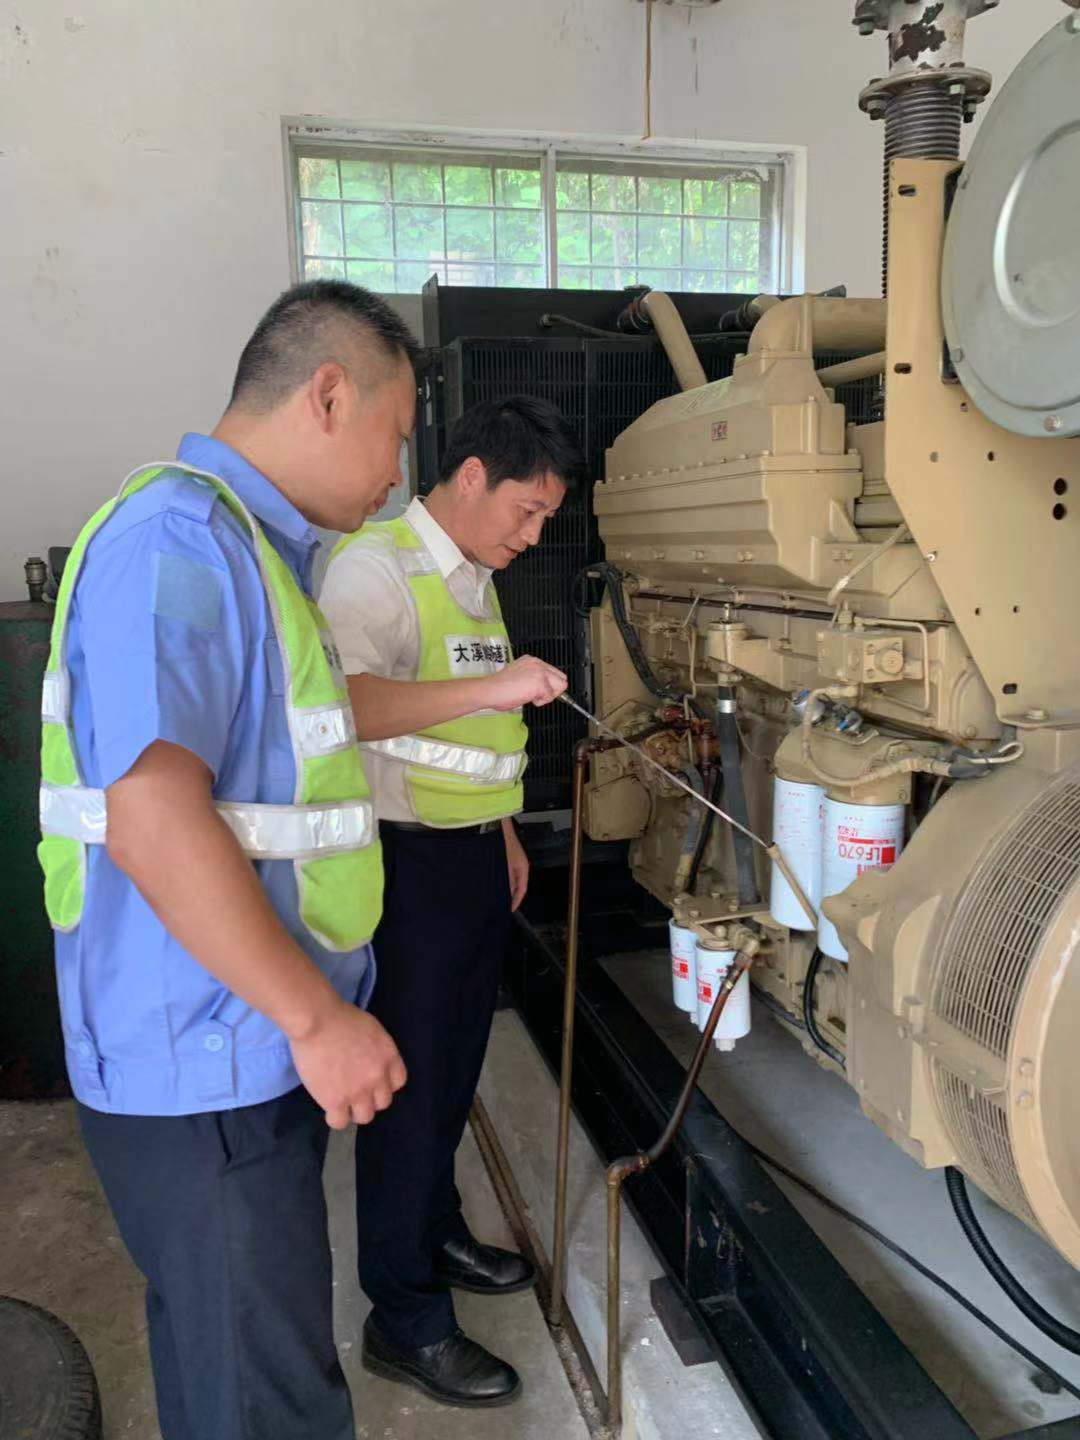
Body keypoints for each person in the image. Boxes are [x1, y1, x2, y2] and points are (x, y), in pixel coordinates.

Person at [37, 280, 418, 1440]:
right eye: (397, 434)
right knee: (267, 1404)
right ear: (329, 394)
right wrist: (317, 1018)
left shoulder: (249, 551)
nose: (395, 475)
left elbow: (299, 737)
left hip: (229, 1047)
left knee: (235, 1375)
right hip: (205, 1061)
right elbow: (155, 815)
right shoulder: (180, 542)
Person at [319, 395, 582, 1407]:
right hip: (404, 868)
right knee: (408, 1093)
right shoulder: (376, 568)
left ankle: (434, 1234)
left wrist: (503, 828)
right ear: (472, 475)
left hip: (471, 855)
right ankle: (405, 1317)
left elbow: (472, 737)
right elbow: (347, 705)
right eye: (528, 510)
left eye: (545, 519)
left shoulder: (473, 577)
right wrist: (492, 689)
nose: (533, 534)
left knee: (454, 1070)